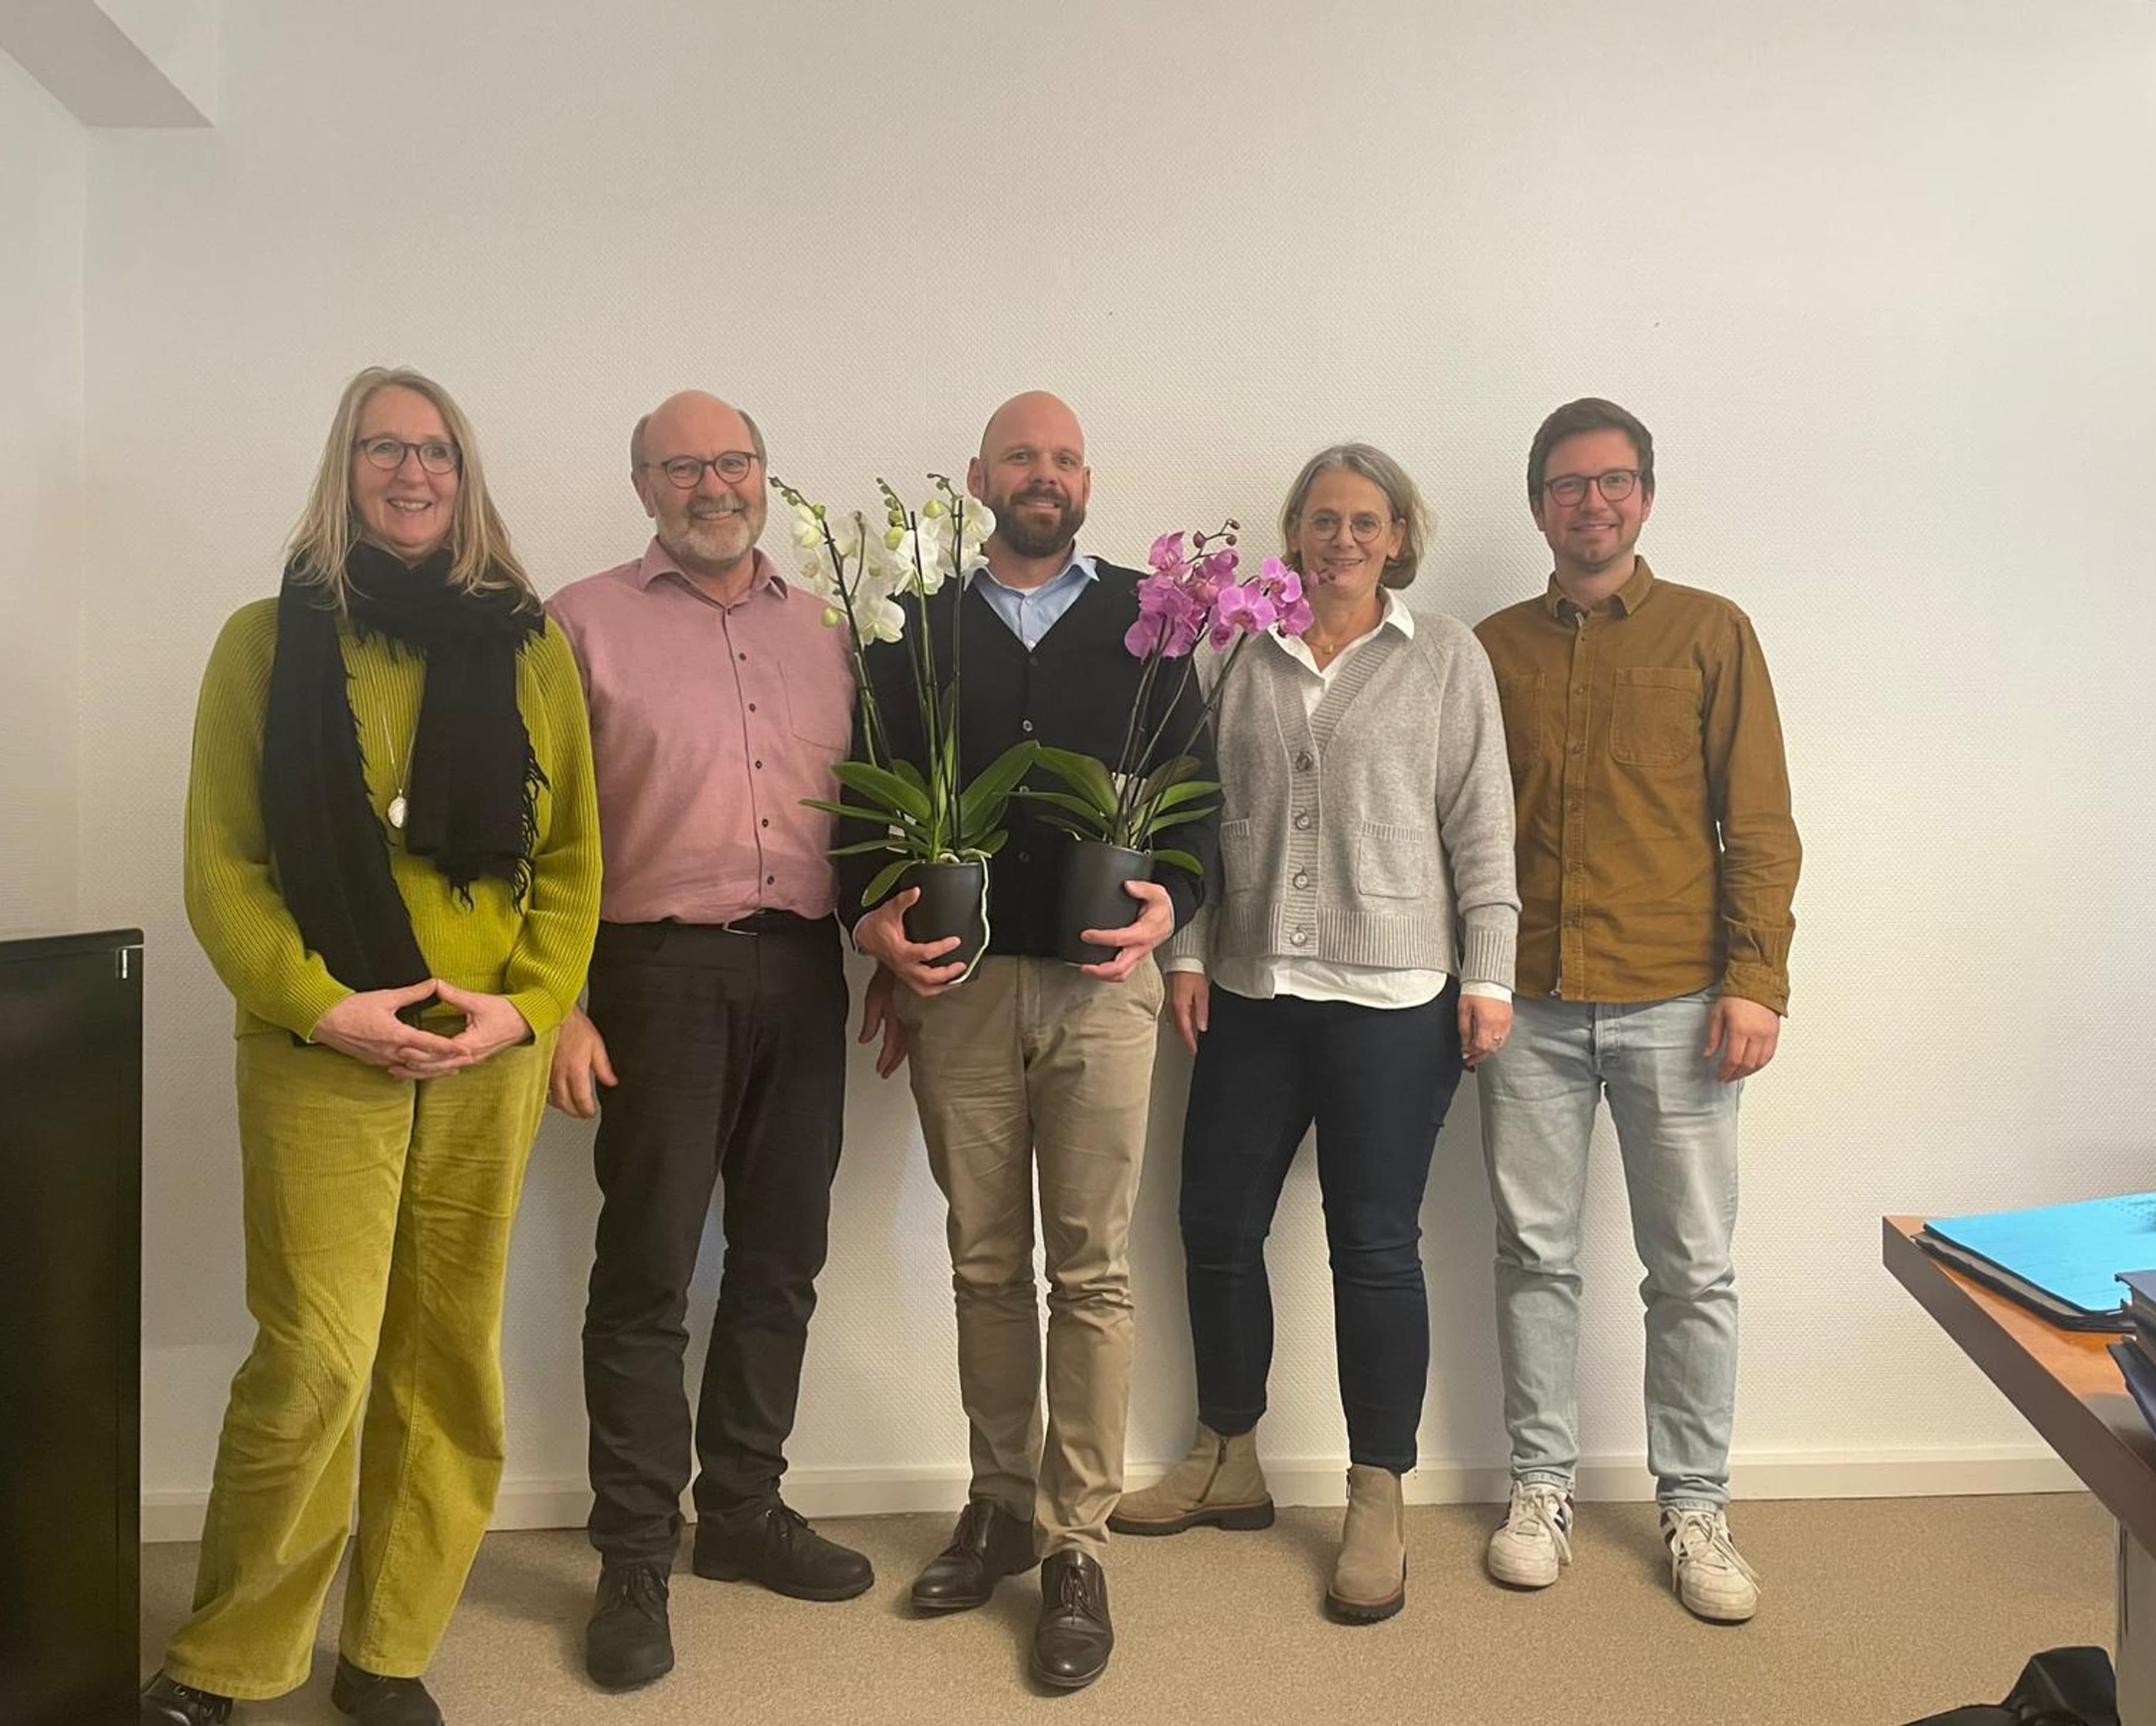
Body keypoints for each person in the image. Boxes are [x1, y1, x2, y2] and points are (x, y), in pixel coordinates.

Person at [143, 366, 601, 1726]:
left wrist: (525, 1004)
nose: (413, 473)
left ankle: (390, 1646)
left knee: (444, 1350)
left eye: (439, 452)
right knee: (319, 1357)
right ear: (342, 470)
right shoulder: (257, 642)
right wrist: (321, 1002)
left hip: (488, 1045)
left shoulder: (528, 645)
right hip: (319, 1035)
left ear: (468, 480)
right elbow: (222, 866)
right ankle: (232, 1656)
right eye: (384, 449)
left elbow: (574, 851)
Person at [1109, 442, 1519, 1624]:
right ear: (1294, 533)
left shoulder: (1443, 657)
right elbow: (1191, 810)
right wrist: (1186, 953)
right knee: (1213, 1224)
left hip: (1397, 997)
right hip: (1251, 986)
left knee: (1374, 1245)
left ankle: (1376, 1493)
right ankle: (1229, 1456)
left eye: (1366, 521)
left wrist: (1488, 975)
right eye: (1322, 519)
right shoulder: (1241, 651)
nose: (1342, 539)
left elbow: (1481, 822)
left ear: (1399, 536)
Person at [848, 391, 1217, 1691]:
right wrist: (876, 927)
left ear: (1087, 481)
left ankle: (1076, 1541)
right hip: (958, 983)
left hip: (1103, 986)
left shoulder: (1152, 620)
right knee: (986, 1260)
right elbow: (864, 778)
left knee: (1095, 1272)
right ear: (979, 477)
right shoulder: (918, 622)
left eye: (1063, 458)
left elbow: (1199, 793)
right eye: (1022, 457)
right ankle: (998, 1504)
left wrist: (1182, 897)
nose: (1043, 476)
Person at [547, 390, 867, 1693]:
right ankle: (634, 1553)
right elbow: (543, 831)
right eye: (683, 467)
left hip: (805, 970)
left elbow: (871, 811)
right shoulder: (578, 624)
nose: (713, 485)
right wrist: (556, 1002)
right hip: (651, 977)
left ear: (766, 476)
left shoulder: (835, 628)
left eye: (733, 461)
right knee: (648, 1273)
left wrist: (889, 946)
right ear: (643, 487)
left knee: (783, 1258)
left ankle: (740, 1513)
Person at [1474, 397, 1800, 1624]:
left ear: (1645, 498)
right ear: (1539, 505)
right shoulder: (1493, 648)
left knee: (1694, 1271)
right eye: (1567, 485)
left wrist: (1758, 980)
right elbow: (1467, 832)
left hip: (1682, 1002)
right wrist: (1477, 979)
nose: (1591, 503)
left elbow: (1759, 821)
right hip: (1533, 1011)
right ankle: (1541, 1488)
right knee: (1533, 1257)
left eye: (1612, 482)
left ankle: (1696, 1507)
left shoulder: (1713, 635)